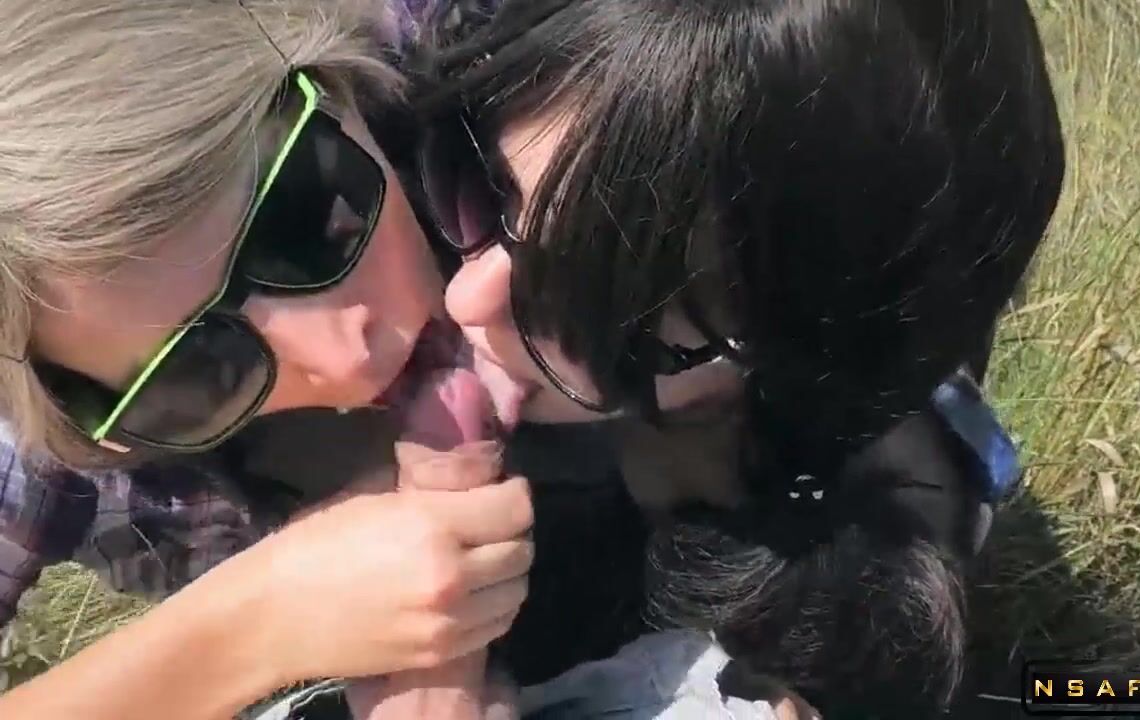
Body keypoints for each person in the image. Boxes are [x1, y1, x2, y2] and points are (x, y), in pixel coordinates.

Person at [388, 0, 1064, 716]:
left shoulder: (857, 564)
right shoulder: (393, 125)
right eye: (486, 184)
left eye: (594, 296)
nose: (468, 298)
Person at [0, 2, 536, 718]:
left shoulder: (489, 52)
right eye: (195, 373)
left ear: (333, 81)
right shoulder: (38, 454)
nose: (344, 358)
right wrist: (252, 630)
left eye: (303, 225)